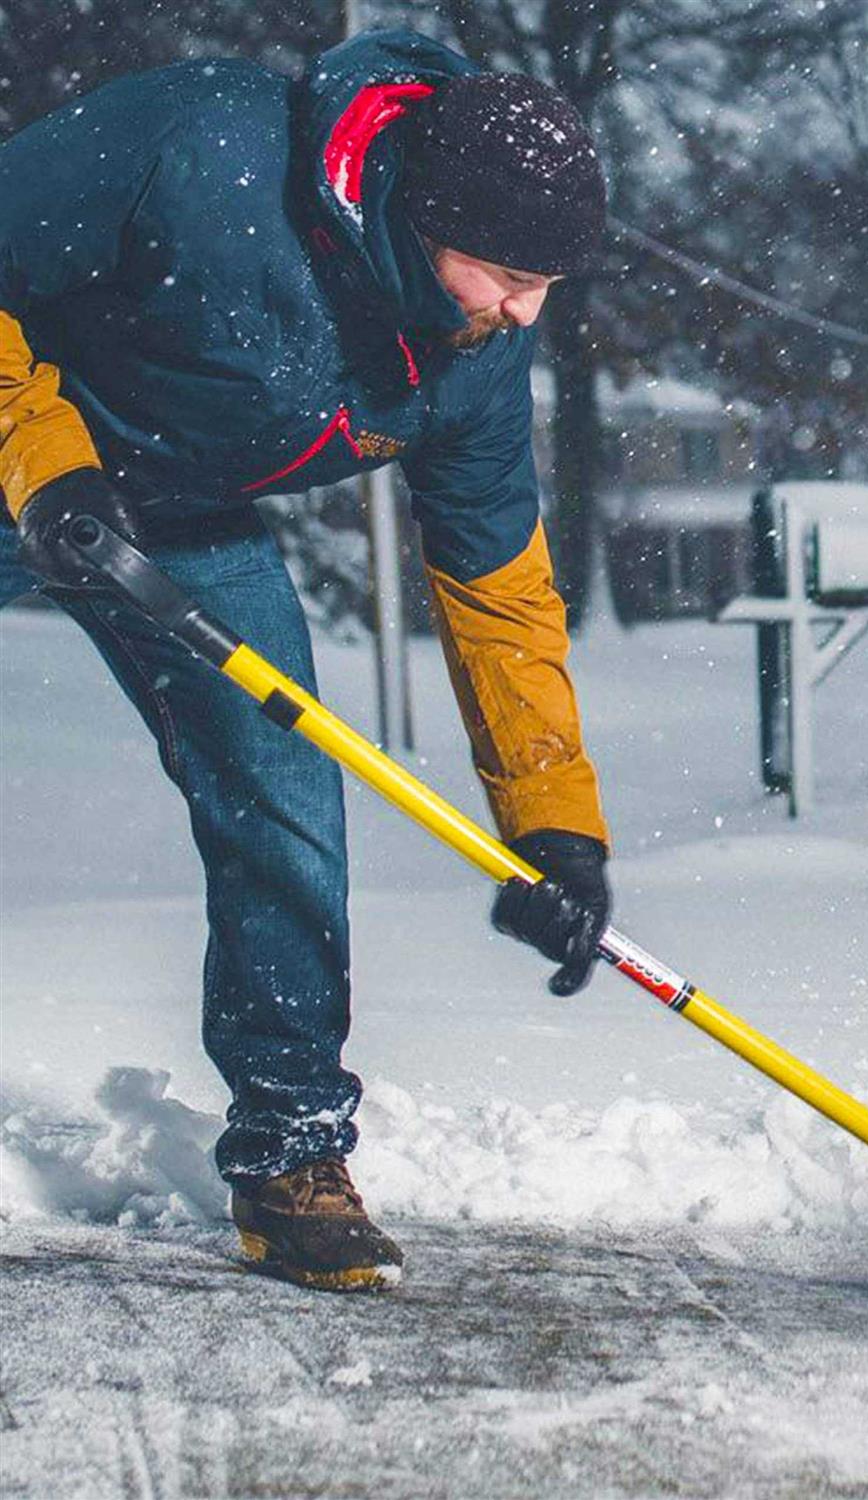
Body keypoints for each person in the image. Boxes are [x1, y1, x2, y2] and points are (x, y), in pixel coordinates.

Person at [0, 30, 614, 1291]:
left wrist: (554, 824)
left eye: (545, 284)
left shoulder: (478, 348)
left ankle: (290, 1153)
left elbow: (497, 587)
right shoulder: (194, 147)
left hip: (178, 516)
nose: (522, 313)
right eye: (501, 274)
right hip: (34, 449)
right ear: (416, 214)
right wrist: (41, 452)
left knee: (282, 791)